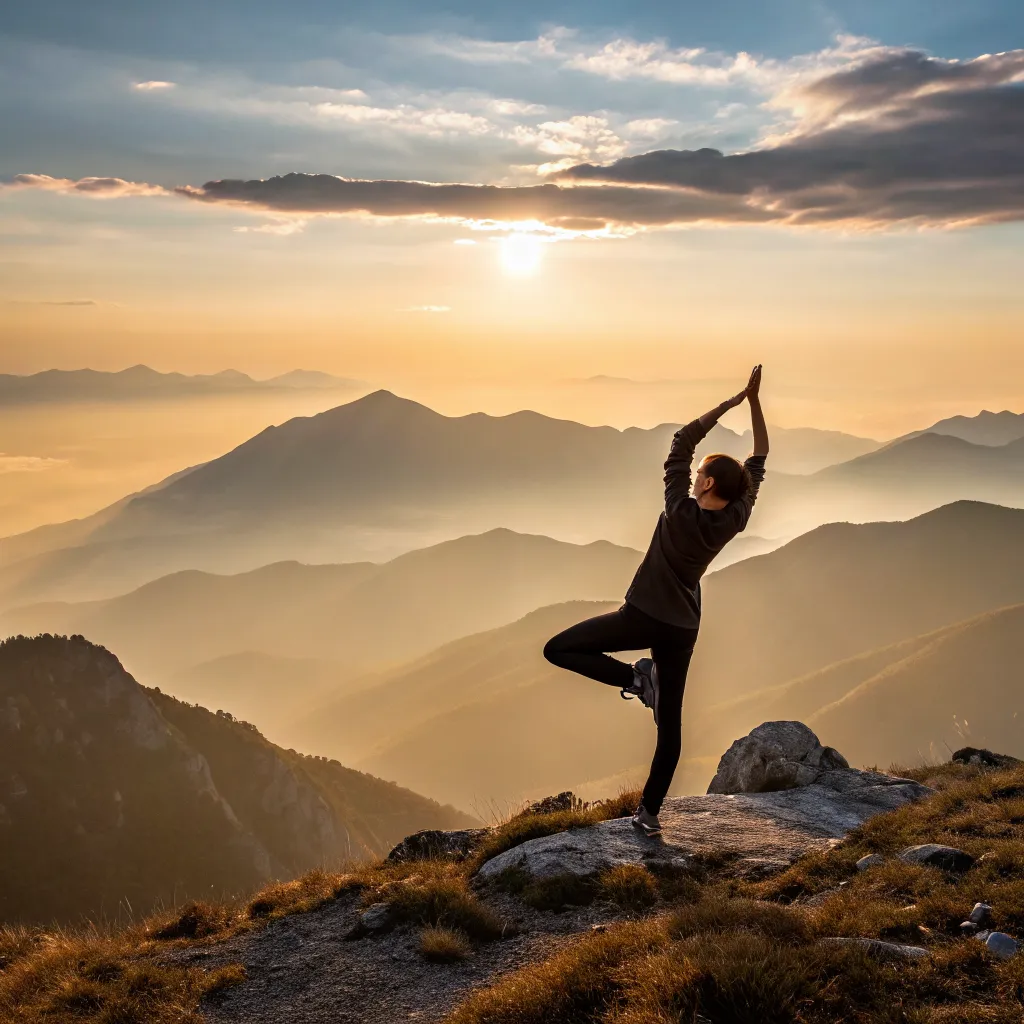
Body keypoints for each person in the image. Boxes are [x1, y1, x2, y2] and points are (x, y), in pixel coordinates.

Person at [543, 364, 769, 835]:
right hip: (682, 629)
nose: (693, 476)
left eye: (700, 474)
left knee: (558, 649)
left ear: (706, 485)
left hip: (642, 617)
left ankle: (634, 678)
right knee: (671, 727)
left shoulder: (679, 510)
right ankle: (649, 813)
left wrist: (734, 402)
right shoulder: (735, 519)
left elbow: (681, 443)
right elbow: (759, 457)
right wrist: (754, 403)